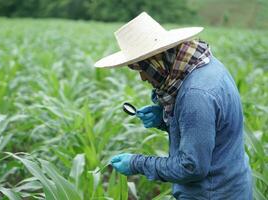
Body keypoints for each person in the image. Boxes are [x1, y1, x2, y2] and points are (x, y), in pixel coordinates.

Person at [94, 12, 253, 200]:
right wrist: (165, 120)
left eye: (143, 69)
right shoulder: (204, 64)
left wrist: (136, 163)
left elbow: (191, 167)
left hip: (212, 193)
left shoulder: (196, 95)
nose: (143, 77)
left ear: (157, 60)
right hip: (229, 185)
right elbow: (209, 132)